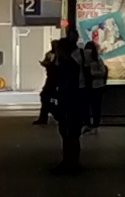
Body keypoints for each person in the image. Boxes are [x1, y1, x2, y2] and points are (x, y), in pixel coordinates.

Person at [42, 27, 102, 170]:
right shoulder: (72, 62)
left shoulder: (67, 64)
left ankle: (70, 160)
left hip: (70, 98)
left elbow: (60, 82)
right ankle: (72, 160)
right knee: (72, 131)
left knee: (69, 131)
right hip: (75, 97)